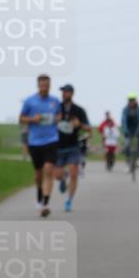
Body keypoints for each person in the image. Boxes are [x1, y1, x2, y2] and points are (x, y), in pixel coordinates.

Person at [19, 74, 60, 217]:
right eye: (42, 85)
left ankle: (46, 203)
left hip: (51, 139)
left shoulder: (55, 101)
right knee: (38, 174)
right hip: (35, 141)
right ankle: (39, 197)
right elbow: (21, 118)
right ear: (38, 85)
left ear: (50, 85)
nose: (45, 87)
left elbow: (59, 116)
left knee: (48, 169)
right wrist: (32, 119)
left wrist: (58, 118)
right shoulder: (30, 101)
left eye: (47, 85)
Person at [54, 84, 91, 212]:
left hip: (73, 147)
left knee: (74, 173)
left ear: (71, 93)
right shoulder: (56, 108)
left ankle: (69, 201)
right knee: (57, 175)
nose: (64, 94)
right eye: (63, 92)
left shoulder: (79, 110)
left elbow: (88, 128)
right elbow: (46, 123)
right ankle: (63, 179)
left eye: (66, 92)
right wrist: (54, 120)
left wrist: (79, 124)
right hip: (58, 146)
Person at [121, 93, 139, 167]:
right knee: (126, 144)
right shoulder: (125, 109)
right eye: (130, 100)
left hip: (137, 129)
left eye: (133, 100)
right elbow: (123, 120)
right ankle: (128, 158)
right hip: (128, 129)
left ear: (135, 101)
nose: (131, 102)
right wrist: (125, 130)